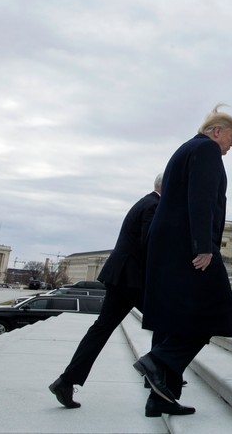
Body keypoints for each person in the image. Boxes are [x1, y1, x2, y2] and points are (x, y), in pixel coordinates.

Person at [132, 106, 232, 418]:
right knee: (217, 312)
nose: (230, 147)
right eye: (230, 140)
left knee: (176, 319)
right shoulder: (206, 149)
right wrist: (204, 246)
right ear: (216, 131)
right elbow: (201, 199)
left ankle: (160, 399)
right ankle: (158, 360)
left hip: (170, 245)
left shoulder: (187, 148)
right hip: (190, 247)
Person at [49, 173, 163, 409]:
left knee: (101, 329)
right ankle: (156, 375)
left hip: (121, 277)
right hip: (132, 279)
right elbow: (150, 245)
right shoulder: (154, 205)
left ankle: (66, 381)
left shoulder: (145, 202)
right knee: (165, 321)